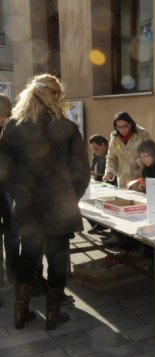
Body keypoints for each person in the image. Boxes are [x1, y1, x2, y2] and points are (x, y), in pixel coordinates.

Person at [0, 74, 90, 330]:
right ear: (55, 96)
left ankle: (20, 313)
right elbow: (82, 173)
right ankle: (52, 314)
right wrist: (69, 198)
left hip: (28, 208)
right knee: (58, 259)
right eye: (59, 94)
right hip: (59, 208)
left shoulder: (13, 126)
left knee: (27, 258)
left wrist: (18, 196)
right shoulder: (67, 127)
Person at [102, 111, 151, 187]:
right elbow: (112, 158)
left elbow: (151, 153)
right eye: (119, 127)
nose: (123, 130)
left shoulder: (142, 135)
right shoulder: (115, 138)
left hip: (140, 179)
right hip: (123, 180)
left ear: (131, 124)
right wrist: (109, 172)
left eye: (125, 126)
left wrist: (138, 163)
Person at [0, 94, 18, 282]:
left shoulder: (14, 129)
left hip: (11, 190)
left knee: (13, 233)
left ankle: (13, 272)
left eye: (3, 115)